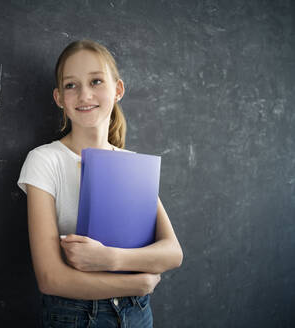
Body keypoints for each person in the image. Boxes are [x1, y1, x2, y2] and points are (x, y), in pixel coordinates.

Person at [17, 39, 183, 327]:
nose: (84, 94)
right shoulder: (45, 160)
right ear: (59, 98)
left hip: (137, 313)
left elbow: (172, 252)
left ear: (117, 90)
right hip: (76, 316)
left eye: (96, 81)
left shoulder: (132, 162)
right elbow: (50, 278)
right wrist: (138, 282)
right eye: (71, 85)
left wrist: (109, 259)